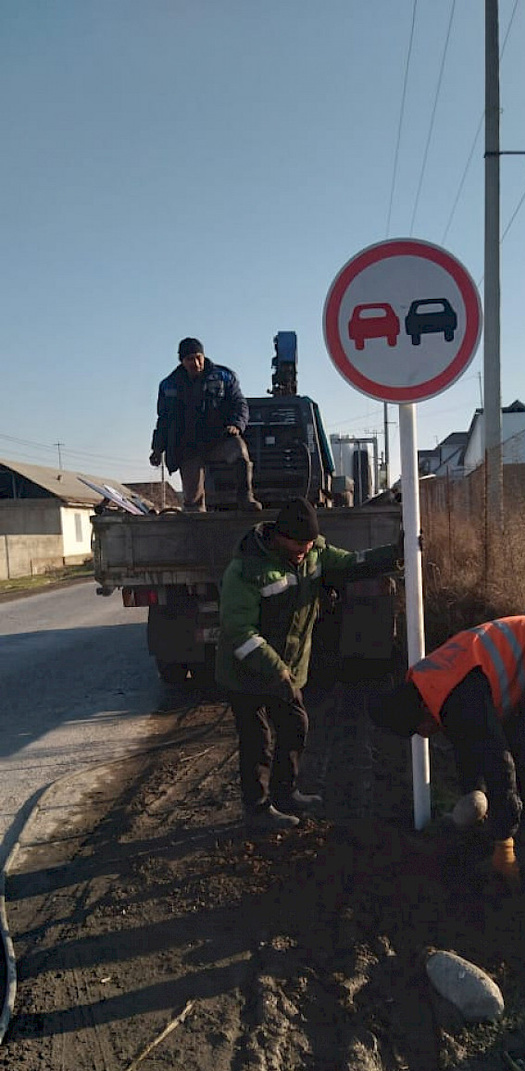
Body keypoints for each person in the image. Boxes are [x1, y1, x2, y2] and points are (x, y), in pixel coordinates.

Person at [216, 496, 402, 830]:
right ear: (278, 536)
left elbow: (352, 563)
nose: (303, 550)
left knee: (295, 727)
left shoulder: (314, 553)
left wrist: (395, 554)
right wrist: (276, 670)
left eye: (308, 544)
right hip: (246, 673)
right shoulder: (246, 569)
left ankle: (286, 794)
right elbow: (239, 631)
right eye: (297, 544)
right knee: (257, 740)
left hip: (287, 671)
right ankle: (257, 809)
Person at [368, 615, 525, 881]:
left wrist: (503, 843)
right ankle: (497, 825)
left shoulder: (459, 700)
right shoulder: (427, 684)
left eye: (420, 729)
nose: (425, 734)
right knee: (499, 739)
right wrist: (472, 799)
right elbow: (466, 744)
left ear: (420, 713)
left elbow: (499, 762)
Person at [149, 337, 261, 513]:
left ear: (204, 356)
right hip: (188, 446)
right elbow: (164, 420)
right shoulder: (168, 385)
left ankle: (245, 497)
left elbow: (240, 404)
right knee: (192, 502)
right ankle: (196, 525)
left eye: (198, 357)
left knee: (239, 450)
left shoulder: (224, 377)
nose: (195, 362)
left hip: (220, 439)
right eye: (189, 359)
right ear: (182, 361)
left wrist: (236, 425)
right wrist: (157, 449)